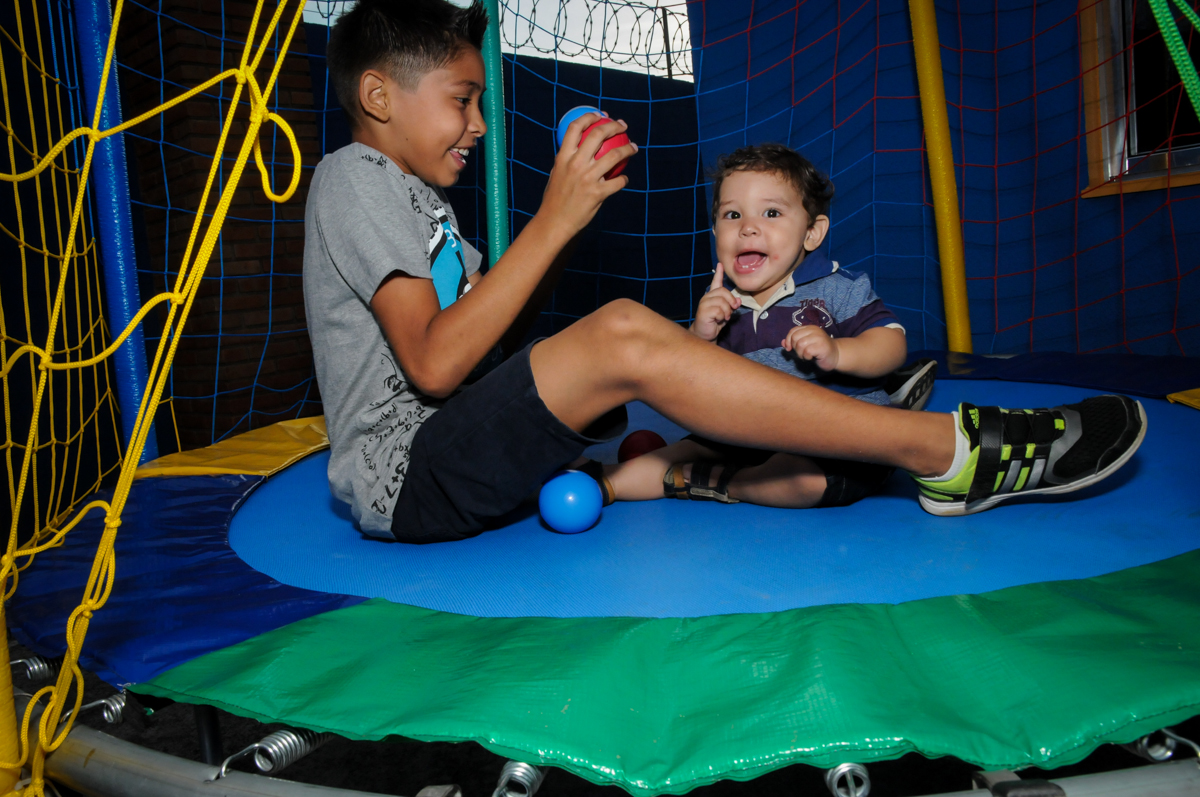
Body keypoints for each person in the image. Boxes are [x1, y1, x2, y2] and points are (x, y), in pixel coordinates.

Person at [303, 0, 1146, 544]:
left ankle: (829, 441)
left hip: (457, 446)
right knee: (622, 331)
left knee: (621, 340)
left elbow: (485, 346)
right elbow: (435, 362)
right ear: (379, 97)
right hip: (407, 476)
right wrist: (552, 218)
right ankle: (945, 451)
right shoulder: (354, 176)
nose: (481, 123)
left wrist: (565, 231)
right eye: (463, 99)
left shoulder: (427, 208)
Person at [593, 144, 929, 509]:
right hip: (748, 435)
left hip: (837, 441)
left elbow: (891, 344)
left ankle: (723, 483)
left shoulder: (837, 288)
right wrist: (699, 336)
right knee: (674, 453)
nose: (748, 227)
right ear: (715, 229)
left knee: (804, 480)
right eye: (732, 214)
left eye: (771, 213)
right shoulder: (720, 302)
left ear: (812, 233)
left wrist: (838, 352)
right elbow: (688, 380)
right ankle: (602, 482)